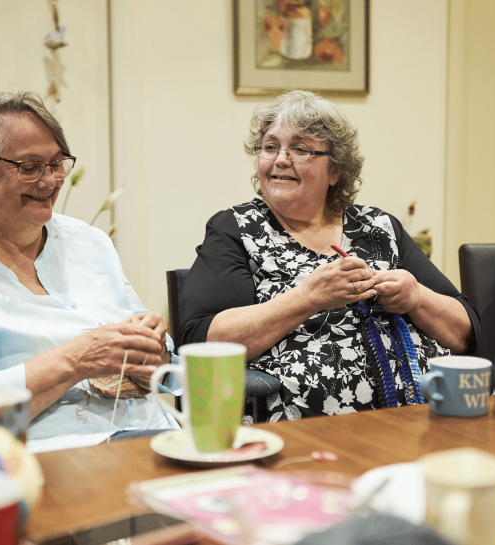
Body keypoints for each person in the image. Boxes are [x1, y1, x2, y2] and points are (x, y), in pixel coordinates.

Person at [0, 91, 177, 452]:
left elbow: (162, 366)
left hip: (152, 445)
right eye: (29, 167)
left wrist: (153, 348)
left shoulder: (90, 243)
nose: (49, 181)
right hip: (42, 468)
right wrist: (74, 361)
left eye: (56, 163)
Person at [176, 90, 479, 422]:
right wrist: (307, 298)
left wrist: (417, 297)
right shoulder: (237, 229)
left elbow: (466, 332)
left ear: (335, 171)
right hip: (307, 430)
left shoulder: (379, 228)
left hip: (421, 418)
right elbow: (199, 340)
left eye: (301, 148)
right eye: (270, 146)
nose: (280, 159)